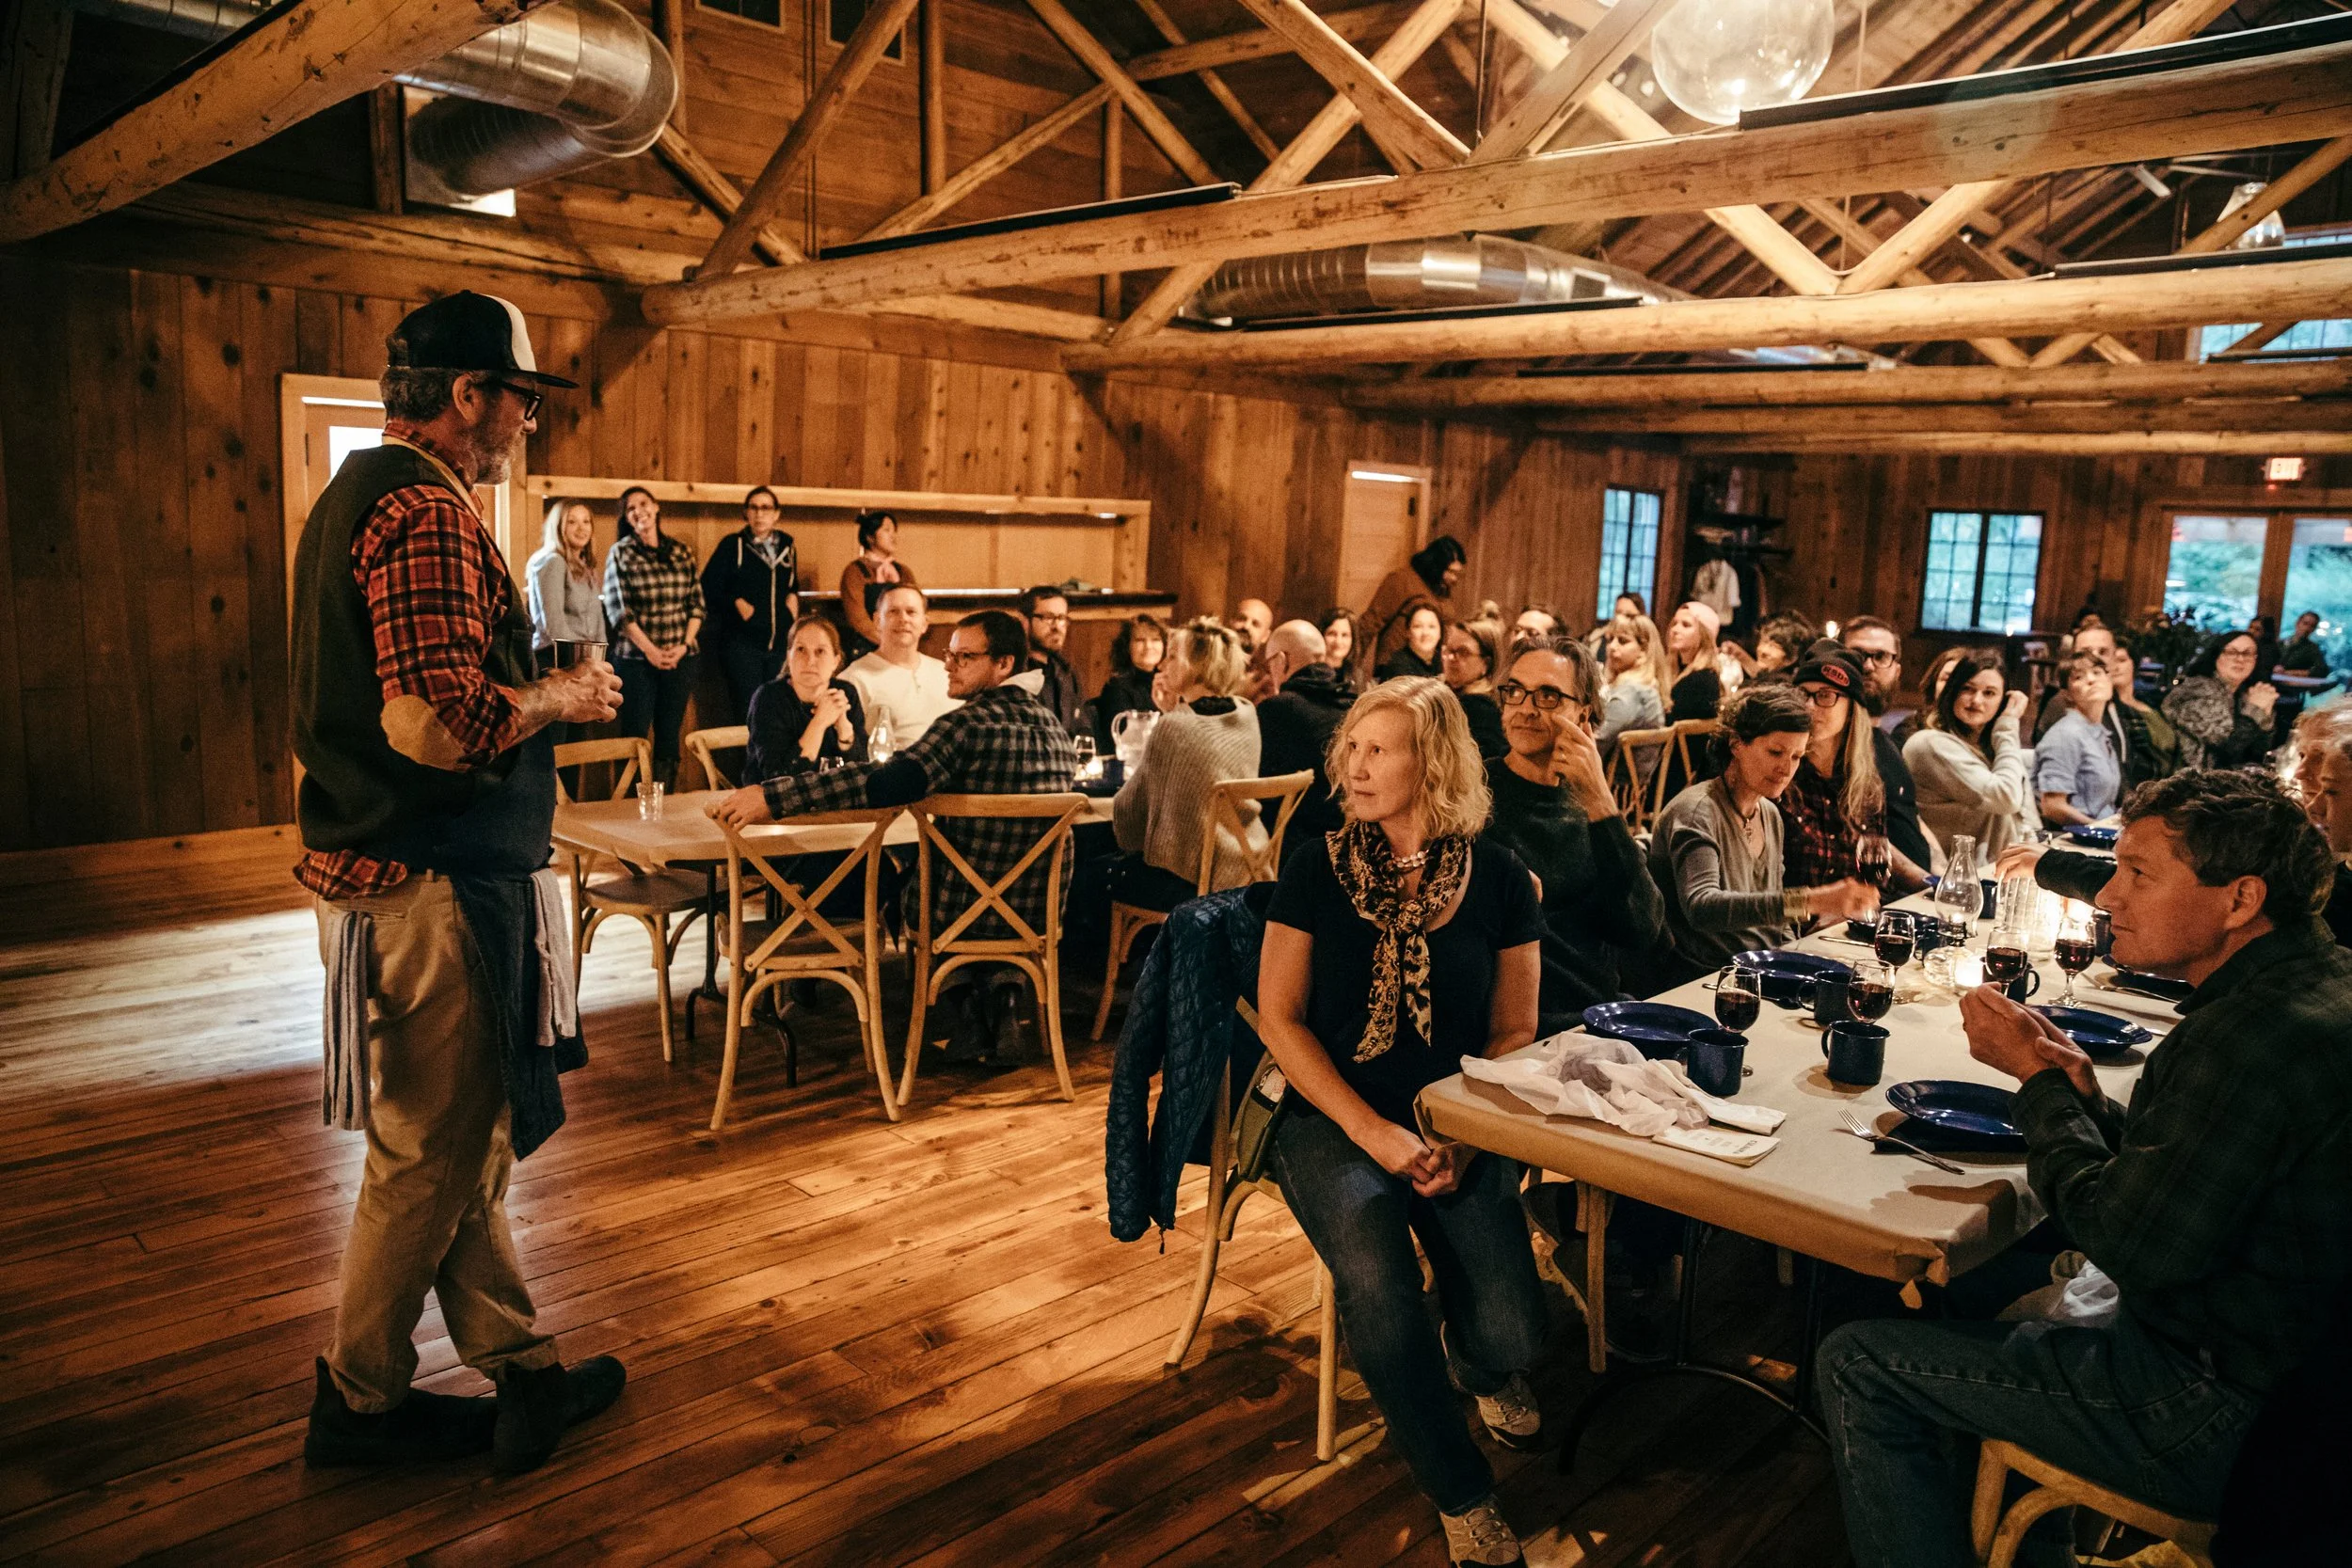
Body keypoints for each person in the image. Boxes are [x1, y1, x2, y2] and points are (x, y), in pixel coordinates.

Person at [1821, 769, 2351, 1568]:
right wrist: (2084, 1099)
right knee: (1960, 1285)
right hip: (2293, 1383)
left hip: (2223, 1412)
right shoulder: (2316, 983)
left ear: (2240, 900)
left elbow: (2125, 1242)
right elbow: (2186, 1180)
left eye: (2139, 874)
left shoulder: (2252, 1038)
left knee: (1857, 1361)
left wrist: (2037, 1086)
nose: (2108, 897)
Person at [292, 292, 625, 1474]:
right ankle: (361, 1399)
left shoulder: (352, 496)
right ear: (467, 394)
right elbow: (433, 723)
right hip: (424, 884)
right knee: (427, 1153)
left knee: (455, 1140)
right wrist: (562, 697)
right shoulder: (427, 512)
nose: (526, 426)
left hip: (374, 874)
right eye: (520, 401)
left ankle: (520, 1366)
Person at [1256, 676, 1548, 1568]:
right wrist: (1376, 1133)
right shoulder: (1315, 864)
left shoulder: (1499, 875)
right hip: (1329, 1113)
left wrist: (1460, 1134)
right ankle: (1460, 1489)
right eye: (1353, 746)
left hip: (1456, 1115)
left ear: (1436, 763)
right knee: (1379, 1283)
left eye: (1379, 749)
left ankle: (1477, 1361)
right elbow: (1281, 1017)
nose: (1354, 763)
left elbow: (1512, 1029)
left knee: (1514, 1336)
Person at [714, 610, 1077, 1064]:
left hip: (957, 909)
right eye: (949, 654)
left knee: (909, 890)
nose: (948, 665)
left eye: (964, 658)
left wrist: (776, 795)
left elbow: (879, 784)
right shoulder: (1058, 734)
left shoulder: (963, 728)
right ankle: (1002, 997)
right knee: (965, 888)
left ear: (1004, 665)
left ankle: (962, 1013)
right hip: (1035, 910)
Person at [1484, 635, 1665, 1034]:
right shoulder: (1473, 798)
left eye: (1548, 696)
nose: (1526, 709)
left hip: (1603, 1021)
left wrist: (1601, 804)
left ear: (1584, 714)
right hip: (1527, 1031)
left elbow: (1642, 929)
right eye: (1515, 692)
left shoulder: (1593, 808)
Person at [1648, 684, 1878, 980]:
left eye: (1796, 757)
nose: (1786, 768)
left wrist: (1793, 948)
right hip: (1706, 977)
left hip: (1758, 971)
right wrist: (1809, 901)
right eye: (1775, 752)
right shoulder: (1697, 811)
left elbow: (1775, 920)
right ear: (1736, 744)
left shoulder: (1769, 813)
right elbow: (1702, 906)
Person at [1109, 619, 1262, 911]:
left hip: (1194, 879)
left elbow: (1129, 820)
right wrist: (1172, 711)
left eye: (1172, 656)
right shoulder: (1246, 714)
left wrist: (1170, 718)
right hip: (1246, 865)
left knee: (1094, 872)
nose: (1162, 664)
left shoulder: (1175, 727)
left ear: (1197, 665)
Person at [1778, 643, 1915, 895]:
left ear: (1852, 710)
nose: (1809, 706)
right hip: (1792, 929)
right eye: (1802, 694)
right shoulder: (1782, 776)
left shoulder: (1866, 783)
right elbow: (1757, 895)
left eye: (1825, 695)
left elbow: (1876, 878)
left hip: (1851, 926)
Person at [601, 484, 702, 787]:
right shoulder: (621, 553)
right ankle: (629, 807)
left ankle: (664, 804)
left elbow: (696, 605)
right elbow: (620, 613)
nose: (638, 511)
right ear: (627, 518)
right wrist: (652, 652)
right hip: (636, 660)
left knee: (670, 735)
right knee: (634, 735)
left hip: (681, 658)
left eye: (643, 504)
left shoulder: (681, 551)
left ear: (656, 507)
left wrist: (683, 646)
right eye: (631, 509)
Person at [1904, 647, 2036, 865]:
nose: (1976, 700)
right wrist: (2007, 726)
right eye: (1968, 689)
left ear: (2003, 700)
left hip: (2000, 874)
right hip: (1950, 883)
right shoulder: (1929, 744)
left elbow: (2027, 816)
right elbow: (2007, 798)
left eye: (1989, 693)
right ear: (1952, 691)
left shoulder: (1993, 747)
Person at [1830, 619, 1938, 877]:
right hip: (1888, 895)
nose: (1868, 666)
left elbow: (1910, 817)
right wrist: (1925, 883)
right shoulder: (1837, 743)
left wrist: (1946, 874)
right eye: (1857, 655)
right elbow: (1859, 835)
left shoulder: (1886, 741)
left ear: (1897, 670)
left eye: (1880, 657)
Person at [1257, 620, 1357, 863]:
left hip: (1292, 852)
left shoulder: (1280, 708)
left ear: (1281, 660)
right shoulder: (1354, 703)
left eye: (1270, 663)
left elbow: (1259, 787)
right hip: (1349, 842)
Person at [699, 485, 800, 722]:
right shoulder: (733, 545)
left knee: (776, 711)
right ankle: (748, 761)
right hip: (743, 647)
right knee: (749, 712)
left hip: (779, 646)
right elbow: (707, 588)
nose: (759, 513)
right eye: (753, 507)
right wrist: (736, 603)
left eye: (766, 508)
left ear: (776, 514)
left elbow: (792, 586)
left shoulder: (787, 547)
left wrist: (791, 611)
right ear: (746, 513)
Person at [744, 613, 866, 782]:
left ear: (835, 661)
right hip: (771, 802)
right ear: (789, 656)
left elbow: (863, 771)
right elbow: (777, 778)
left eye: (820, 651)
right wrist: (820, 722)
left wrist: (844, 731)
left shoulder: (845, 693)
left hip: (831, 800)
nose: (810, 661)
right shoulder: (768, 698)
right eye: (801, 649)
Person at [840, 583, 957, 750]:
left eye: (911, 612)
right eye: (893, 612)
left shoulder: (947, 673)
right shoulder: (854, 679)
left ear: (924, 623)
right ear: (877, 620)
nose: (903, 619)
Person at [2164, 630, 2278, 770]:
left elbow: (2257, 754)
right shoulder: (2196, 690)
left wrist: (2265, 717)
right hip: (2189, 782)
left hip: (2225, 781)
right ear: (2216, 656)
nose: (2240, 659)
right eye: (2231, 652)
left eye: (2248, 653)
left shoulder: (2243, 695)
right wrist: (2255, 710)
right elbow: (2228, 750)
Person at [2035, 650, 2122, 827]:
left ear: (2109, 681)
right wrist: (2102, 832)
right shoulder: (2065, 734)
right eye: (2078, 677)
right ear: (2067, 694)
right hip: (2075, 841)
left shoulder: (2099, 733)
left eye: (2097, 673)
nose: (2091, 680)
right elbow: (2052, 806)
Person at [1364, 534, 1466, 673]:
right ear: (1436, 565)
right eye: (1451, 572)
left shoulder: (1442, 589)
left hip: (1431, 667)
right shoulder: (1402, 580)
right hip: (1397, 668)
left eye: (1458, 573)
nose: (1455, 578)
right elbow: (1370, 622)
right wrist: (1350, 665)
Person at [523, 498, 605, 665]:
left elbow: (598, 623)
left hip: (586, 660)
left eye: (586, 521)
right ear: (559, 526)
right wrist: (582, 662)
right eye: (572, 521)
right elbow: (554, 627)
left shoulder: (587, 568)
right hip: (557, 660)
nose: (581, 528)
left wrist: (600, 660)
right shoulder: (554, 562)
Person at [837, 509, 914, 657]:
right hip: (866, 650)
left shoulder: (903, 572)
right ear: (870, 537)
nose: (893, 536)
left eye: (894, 531)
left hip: (902, 648)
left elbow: (916, 608)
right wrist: (888, 643)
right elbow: (859, 619)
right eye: (887, 530)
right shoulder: (855, 572)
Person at [1596, 611, 1669, 759]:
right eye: (1610, 639)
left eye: (1622, 641)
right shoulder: (1643, 684)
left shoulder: (1632, 691)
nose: (1612, 646)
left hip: (1614, 780)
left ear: (1643, 650)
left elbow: (1597, 743)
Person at [1092, 612, 1165, 754]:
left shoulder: (1169, 685)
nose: (1148, 646)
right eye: (1140, 640)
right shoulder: (1116, 688)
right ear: (1127, 647)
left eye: (1155, 639)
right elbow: (1123, 743)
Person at [1019, 584, 1085, 735]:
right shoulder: (1015, 672)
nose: (1057, 626)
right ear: (1024, 622)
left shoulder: (1067, 672)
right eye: (1048, 618)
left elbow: (1083, 727)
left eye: (1062, 618)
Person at [1439, 617, 1508, 758]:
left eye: (1463, 652)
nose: (1452, 658)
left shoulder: (1481, 710)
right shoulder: (1445, 694)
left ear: (1486, 664)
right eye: (1449, 650)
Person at [1663, 601, 1726, 721]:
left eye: (1686, 625)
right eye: (1674, 623)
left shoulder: (1703, 679)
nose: (1675, 630)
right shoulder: (1673, 670)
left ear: (1703, 634)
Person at [1378, 604, 1444, 681]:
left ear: (1440, 633)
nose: (1425, 633)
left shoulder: (1442, 660)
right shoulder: (1399, 666)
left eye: (1432, 626)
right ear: (1407, 632)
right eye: (1418, 626)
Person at [1748, 611, 1819, 679]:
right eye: (1764, 642)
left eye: (1774, 646)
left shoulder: (1787, 688)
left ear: (1791, 659)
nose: (1763, 650)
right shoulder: (1761, 679)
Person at [1320, 606, 1366, 693]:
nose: (1338, 641)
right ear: (1321, 635)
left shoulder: (1357, 675)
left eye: (1345, 635)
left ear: (1353, 640)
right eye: (1332, 634)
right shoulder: (1311, 673)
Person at [2279, 610, 2330, 675]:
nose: (2307, 628)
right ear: (2297, 623)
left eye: (2312, 626)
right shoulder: (2281, 643)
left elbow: (2322, 670)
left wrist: (2293, 673)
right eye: (2305, 623)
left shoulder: (2313, 648)